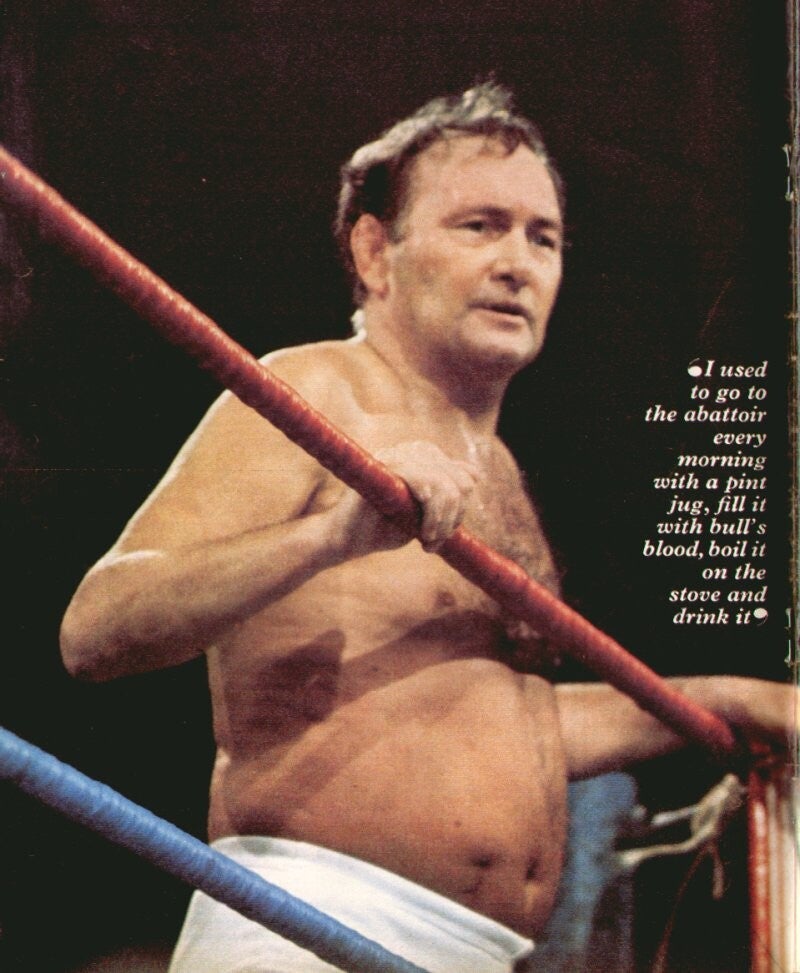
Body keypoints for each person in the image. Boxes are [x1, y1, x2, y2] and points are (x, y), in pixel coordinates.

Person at [59, 84, 795, 973]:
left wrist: (728, 698)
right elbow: (97, 625)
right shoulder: (313, 392)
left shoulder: (500, 469)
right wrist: (330, 536)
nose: (517, 263)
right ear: (376, 251)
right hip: (311, 921)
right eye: (480, 226)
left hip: (481, 953)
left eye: (544, 237)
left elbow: (500, 722)